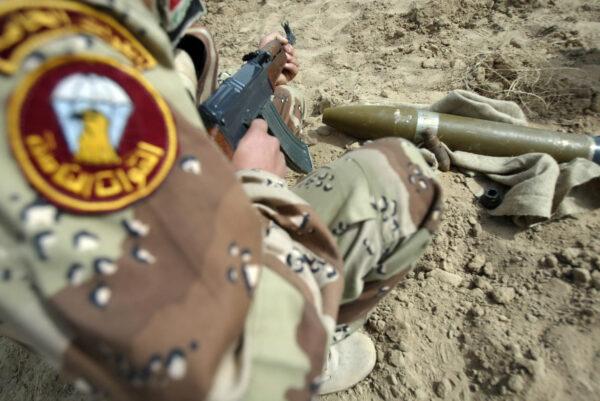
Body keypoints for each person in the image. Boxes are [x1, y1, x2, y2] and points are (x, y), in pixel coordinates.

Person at [0, 0, 443, 400]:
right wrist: (258, 184)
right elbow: (194, 357)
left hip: (69, 247)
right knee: (400, 176)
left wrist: (258, 70)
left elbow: (164, 90)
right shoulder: (56, 77)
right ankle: (307, 345)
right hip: (182, 340)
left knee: (277, 98)